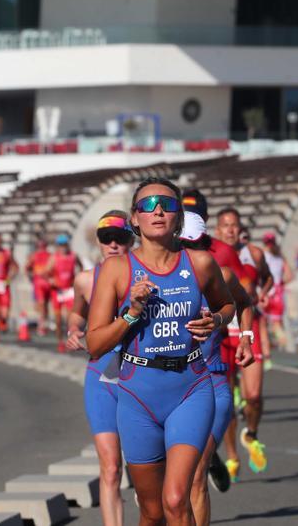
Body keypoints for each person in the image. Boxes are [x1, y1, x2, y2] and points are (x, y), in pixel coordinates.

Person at [87, 178, 243, 526]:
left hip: (190, 388)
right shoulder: (116, 270)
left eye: (168, 204)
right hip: (138, 395)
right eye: (148, 204)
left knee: (176, 500)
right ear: (135, 217)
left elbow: (229, 305)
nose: (158, 210)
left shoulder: (200, 264)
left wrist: (216, 320)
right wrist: (131, 312)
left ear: (180, 217)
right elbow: (95, 344)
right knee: (152, 511)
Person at [179, 188, 256, 521]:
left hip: (211, 382)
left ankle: (212, 459)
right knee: (169, 485)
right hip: (171, 390)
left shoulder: (220, 272)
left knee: (195, 477)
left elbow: (244, 300)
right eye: (184, 244)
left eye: (197, 244)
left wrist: (245, 338)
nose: (191, 251)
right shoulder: (153, 280)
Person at [66, 210, 135, 526]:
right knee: (110, 467)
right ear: (99, 242)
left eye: (119, 238)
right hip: (102, 377)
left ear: (130, 240)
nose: (113, 244)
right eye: (106, 238)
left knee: (147, 466)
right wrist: (74, 331)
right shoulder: (84, 280)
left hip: (144, 376)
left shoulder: (147, 278)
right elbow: (77, 314)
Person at [216, 207, 270, 475]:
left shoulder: (255, 254)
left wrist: (264, 294)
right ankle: (233, 456)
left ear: (241, 229)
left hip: (250, 327)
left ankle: (251, 433)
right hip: (225, 333)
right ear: (217, 230)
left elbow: (268, 278)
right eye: (225, 225)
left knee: (254, 395)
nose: (230, 230)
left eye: (234, 225)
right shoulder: (210, 257)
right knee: (225, 400)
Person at [260, 232, 292, 352]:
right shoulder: (280, 258)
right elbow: (290, 275)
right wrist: (281, 283)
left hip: (266, 292)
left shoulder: (261, 255)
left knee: (262, 325)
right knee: (277, 325)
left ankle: (267, 355)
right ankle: (283, 344)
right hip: (278, 292)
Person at [49, 234, 79, 351]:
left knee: (69, 317)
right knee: (58, 319)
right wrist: (51, 280)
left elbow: (80, 267)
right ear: (58, 246)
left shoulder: (73, 256)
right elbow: (46, 273)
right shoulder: (54, 258)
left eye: (64, 245)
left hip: (69, 290)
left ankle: (70, 340)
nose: (63, 247)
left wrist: (77, 279)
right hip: (57, 291)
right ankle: (60, 341)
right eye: (60, 245)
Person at [27, 237, 54, 335]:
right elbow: (27, 268)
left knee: (45, 304)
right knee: (42, 304)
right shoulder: (34, 256)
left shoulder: (50, 255)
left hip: (46, 283)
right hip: (39, 283)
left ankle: (44, 323)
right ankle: (41, 325)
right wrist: (31, 277)